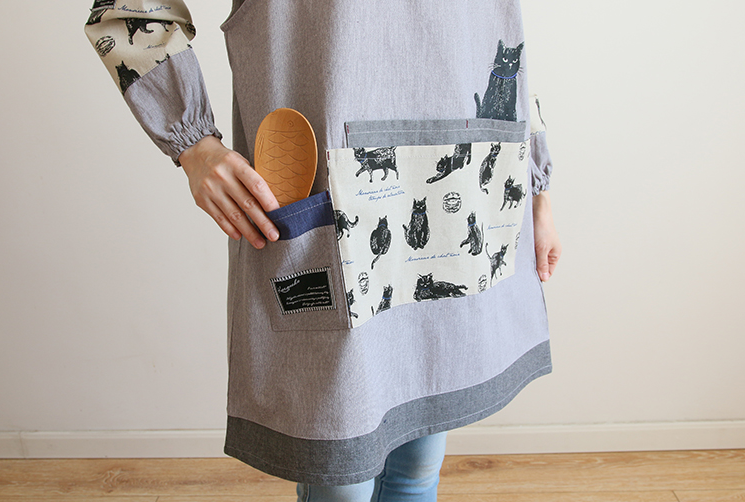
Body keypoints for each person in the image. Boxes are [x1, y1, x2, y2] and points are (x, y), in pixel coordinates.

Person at [85, 1, 561, 500]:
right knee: (341, 480)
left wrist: (537, 190)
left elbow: (499, 38)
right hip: (333, 200)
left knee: (418, 470)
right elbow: (124, 10)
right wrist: (194, 144)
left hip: (463, 193)